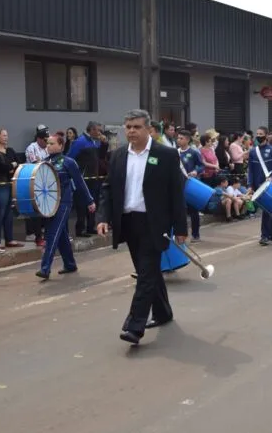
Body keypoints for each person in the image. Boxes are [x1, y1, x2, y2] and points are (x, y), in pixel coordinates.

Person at [97, 109, 188, 345]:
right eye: (128, 127)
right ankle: (163, 312)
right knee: (149, 271)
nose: (131, 131)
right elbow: (108, 189)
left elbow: (176, 193)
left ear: (149, 129)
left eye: (136, 127)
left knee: (145, 273)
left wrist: (181, 227)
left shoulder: (166, 155)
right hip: (128, 222)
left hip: (153, 223)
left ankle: (135, 325)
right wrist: (103, 217)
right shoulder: (118, 155)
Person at [36, 132, 96, 281]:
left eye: (52, 143)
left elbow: (80, 183)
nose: (48, 146)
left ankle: (45, 268)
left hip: (64, 203)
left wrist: (89, 201)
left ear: (61, 146)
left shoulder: (68, 162)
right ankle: (70, 264)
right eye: (47, 143)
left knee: (52, 234)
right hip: (50, 204)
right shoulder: (44, 162)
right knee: (60, 234)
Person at [247, 126, 272, 246]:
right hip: (258, 184)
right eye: (257, 133)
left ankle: (264, 236)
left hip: (269, 185)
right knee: (266, 209)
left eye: (261, 133)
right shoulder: (253, 151)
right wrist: (250, 185)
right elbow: (250, 170)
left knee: (266, 211)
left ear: (266, 135)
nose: (258, 135)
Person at [177, 129, 204, 242]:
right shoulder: (175, 152)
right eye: (178, 138)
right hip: (179, 185)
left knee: (193, 211)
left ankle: (195, 234)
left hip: (191, 185)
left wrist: (195, 172)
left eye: (181, 138)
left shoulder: (194, 152)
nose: (178, 140)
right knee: (180, 211)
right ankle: (181, 234)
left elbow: (201, 166)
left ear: (187, 140)